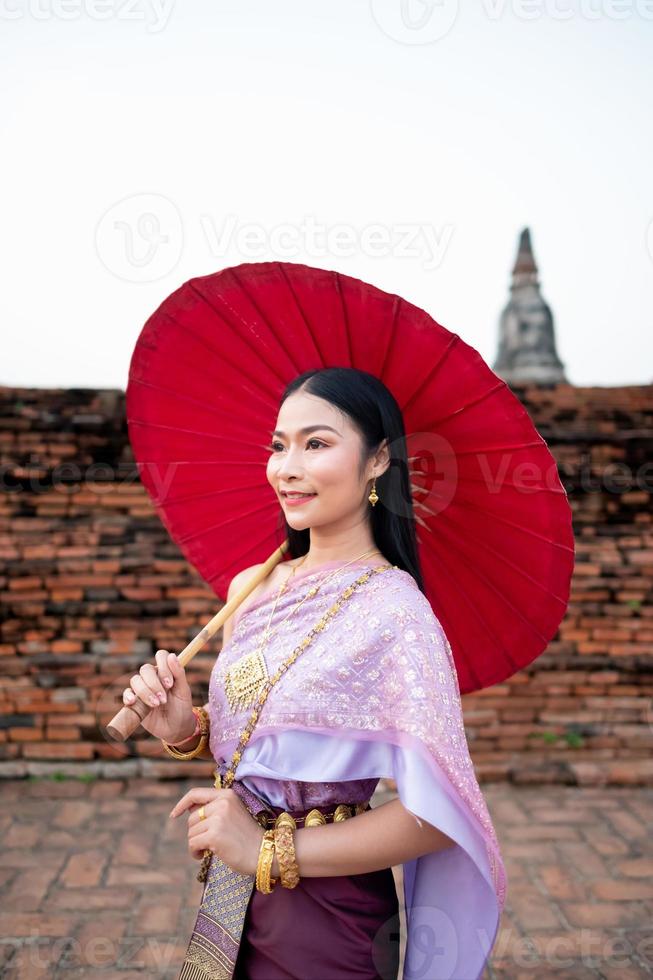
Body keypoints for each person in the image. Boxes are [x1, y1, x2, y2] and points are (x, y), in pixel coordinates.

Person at [122, 367, 507, 980]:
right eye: (279, 445)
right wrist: (185, 728)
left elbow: (438, 813)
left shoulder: (395, 614)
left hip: (328, 914)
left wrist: (264, 848)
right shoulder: (252, 586)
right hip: (228, 895)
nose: (287, 467)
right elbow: (268, 745)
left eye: (317, 444)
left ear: (379, 459)